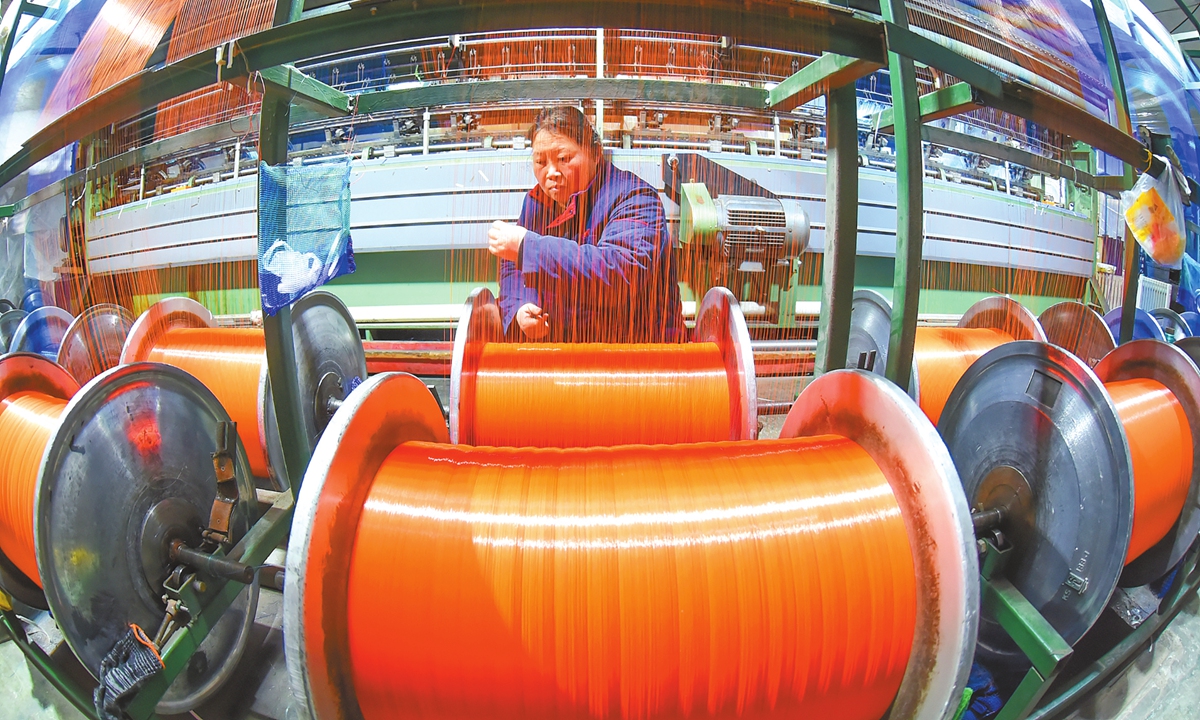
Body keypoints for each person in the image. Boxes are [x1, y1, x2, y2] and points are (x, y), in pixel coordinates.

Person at [487, 105, 684, 343]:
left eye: (563, 159)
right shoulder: (536, 204)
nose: (551, 173)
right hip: (567, 356)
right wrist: (520, 308)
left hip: (639, 355)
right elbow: (514, 266)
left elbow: (620, 274)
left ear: (595, 152)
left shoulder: (636, 198)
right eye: (540, 161)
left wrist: (529, 247)